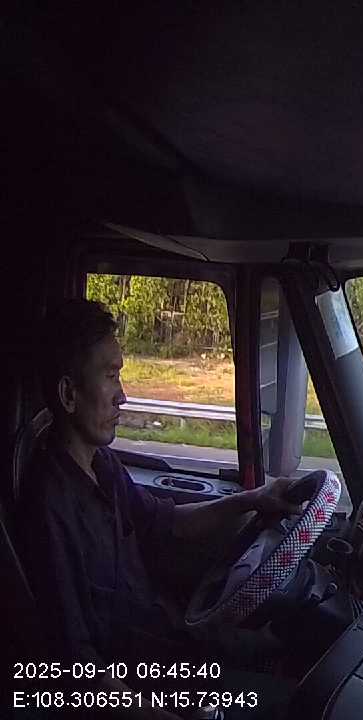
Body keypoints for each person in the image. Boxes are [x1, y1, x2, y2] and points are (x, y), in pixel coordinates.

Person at [15, 299, 301, 718]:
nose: (123, 396)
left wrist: (254, 498)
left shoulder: (102, 465)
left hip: (174, 647)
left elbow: (167, 523)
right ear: (68, 394)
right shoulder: (50, 506)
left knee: (295, 671)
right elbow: (79, 668)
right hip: (143, 685)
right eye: (110, 376)